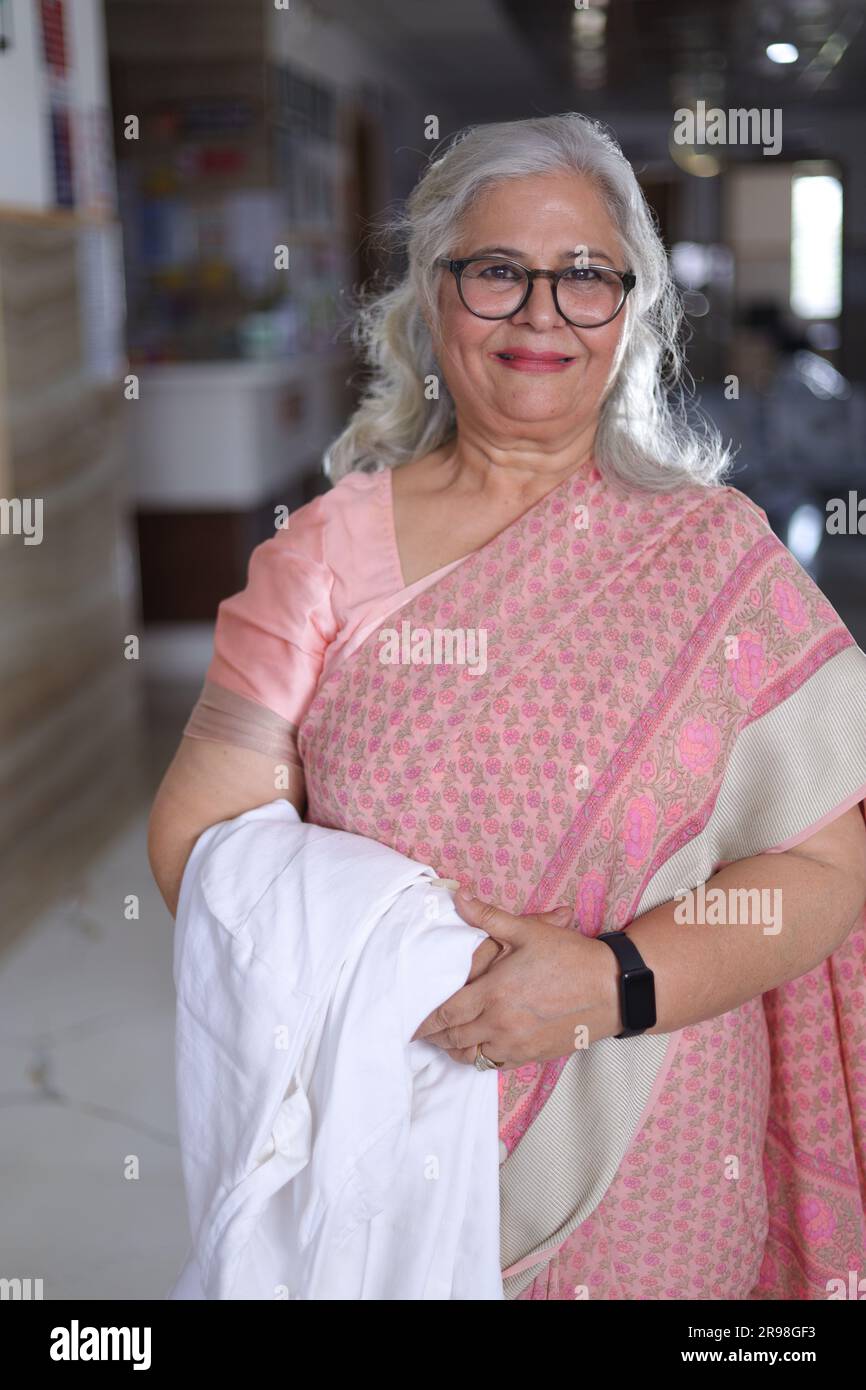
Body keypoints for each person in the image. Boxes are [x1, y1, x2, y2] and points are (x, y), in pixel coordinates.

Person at [148, 112, 866, 1300]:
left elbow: (827, 868)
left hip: (659, 1137)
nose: (542, 312)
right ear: (434, 298)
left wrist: (611, 982)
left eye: (585, 276)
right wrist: (397, 958)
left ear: (629, 309)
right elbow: (204, 849)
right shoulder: (323, 559)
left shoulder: (715, 558)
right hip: (387, 1139)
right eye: (498, 272)